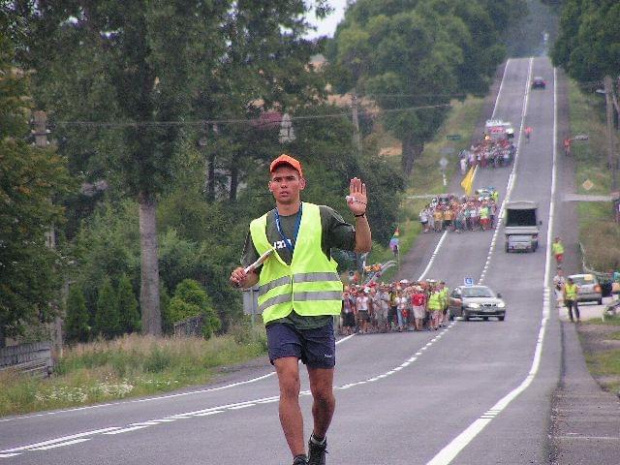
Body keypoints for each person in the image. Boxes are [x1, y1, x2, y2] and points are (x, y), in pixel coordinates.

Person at [229, 154, 372, 465]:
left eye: (289, 178)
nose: (284, 184)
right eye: (278, 180)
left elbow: (361, 246)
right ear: (270, 187)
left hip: (318, 315)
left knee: (323, 395)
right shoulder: (259, 226)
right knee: (289, 380)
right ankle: (298, 459)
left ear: (301, 183)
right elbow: (251, 272)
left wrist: (360, 216)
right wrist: (241, 279)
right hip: (280, 317)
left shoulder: (321, 216)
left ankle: (318, 440)